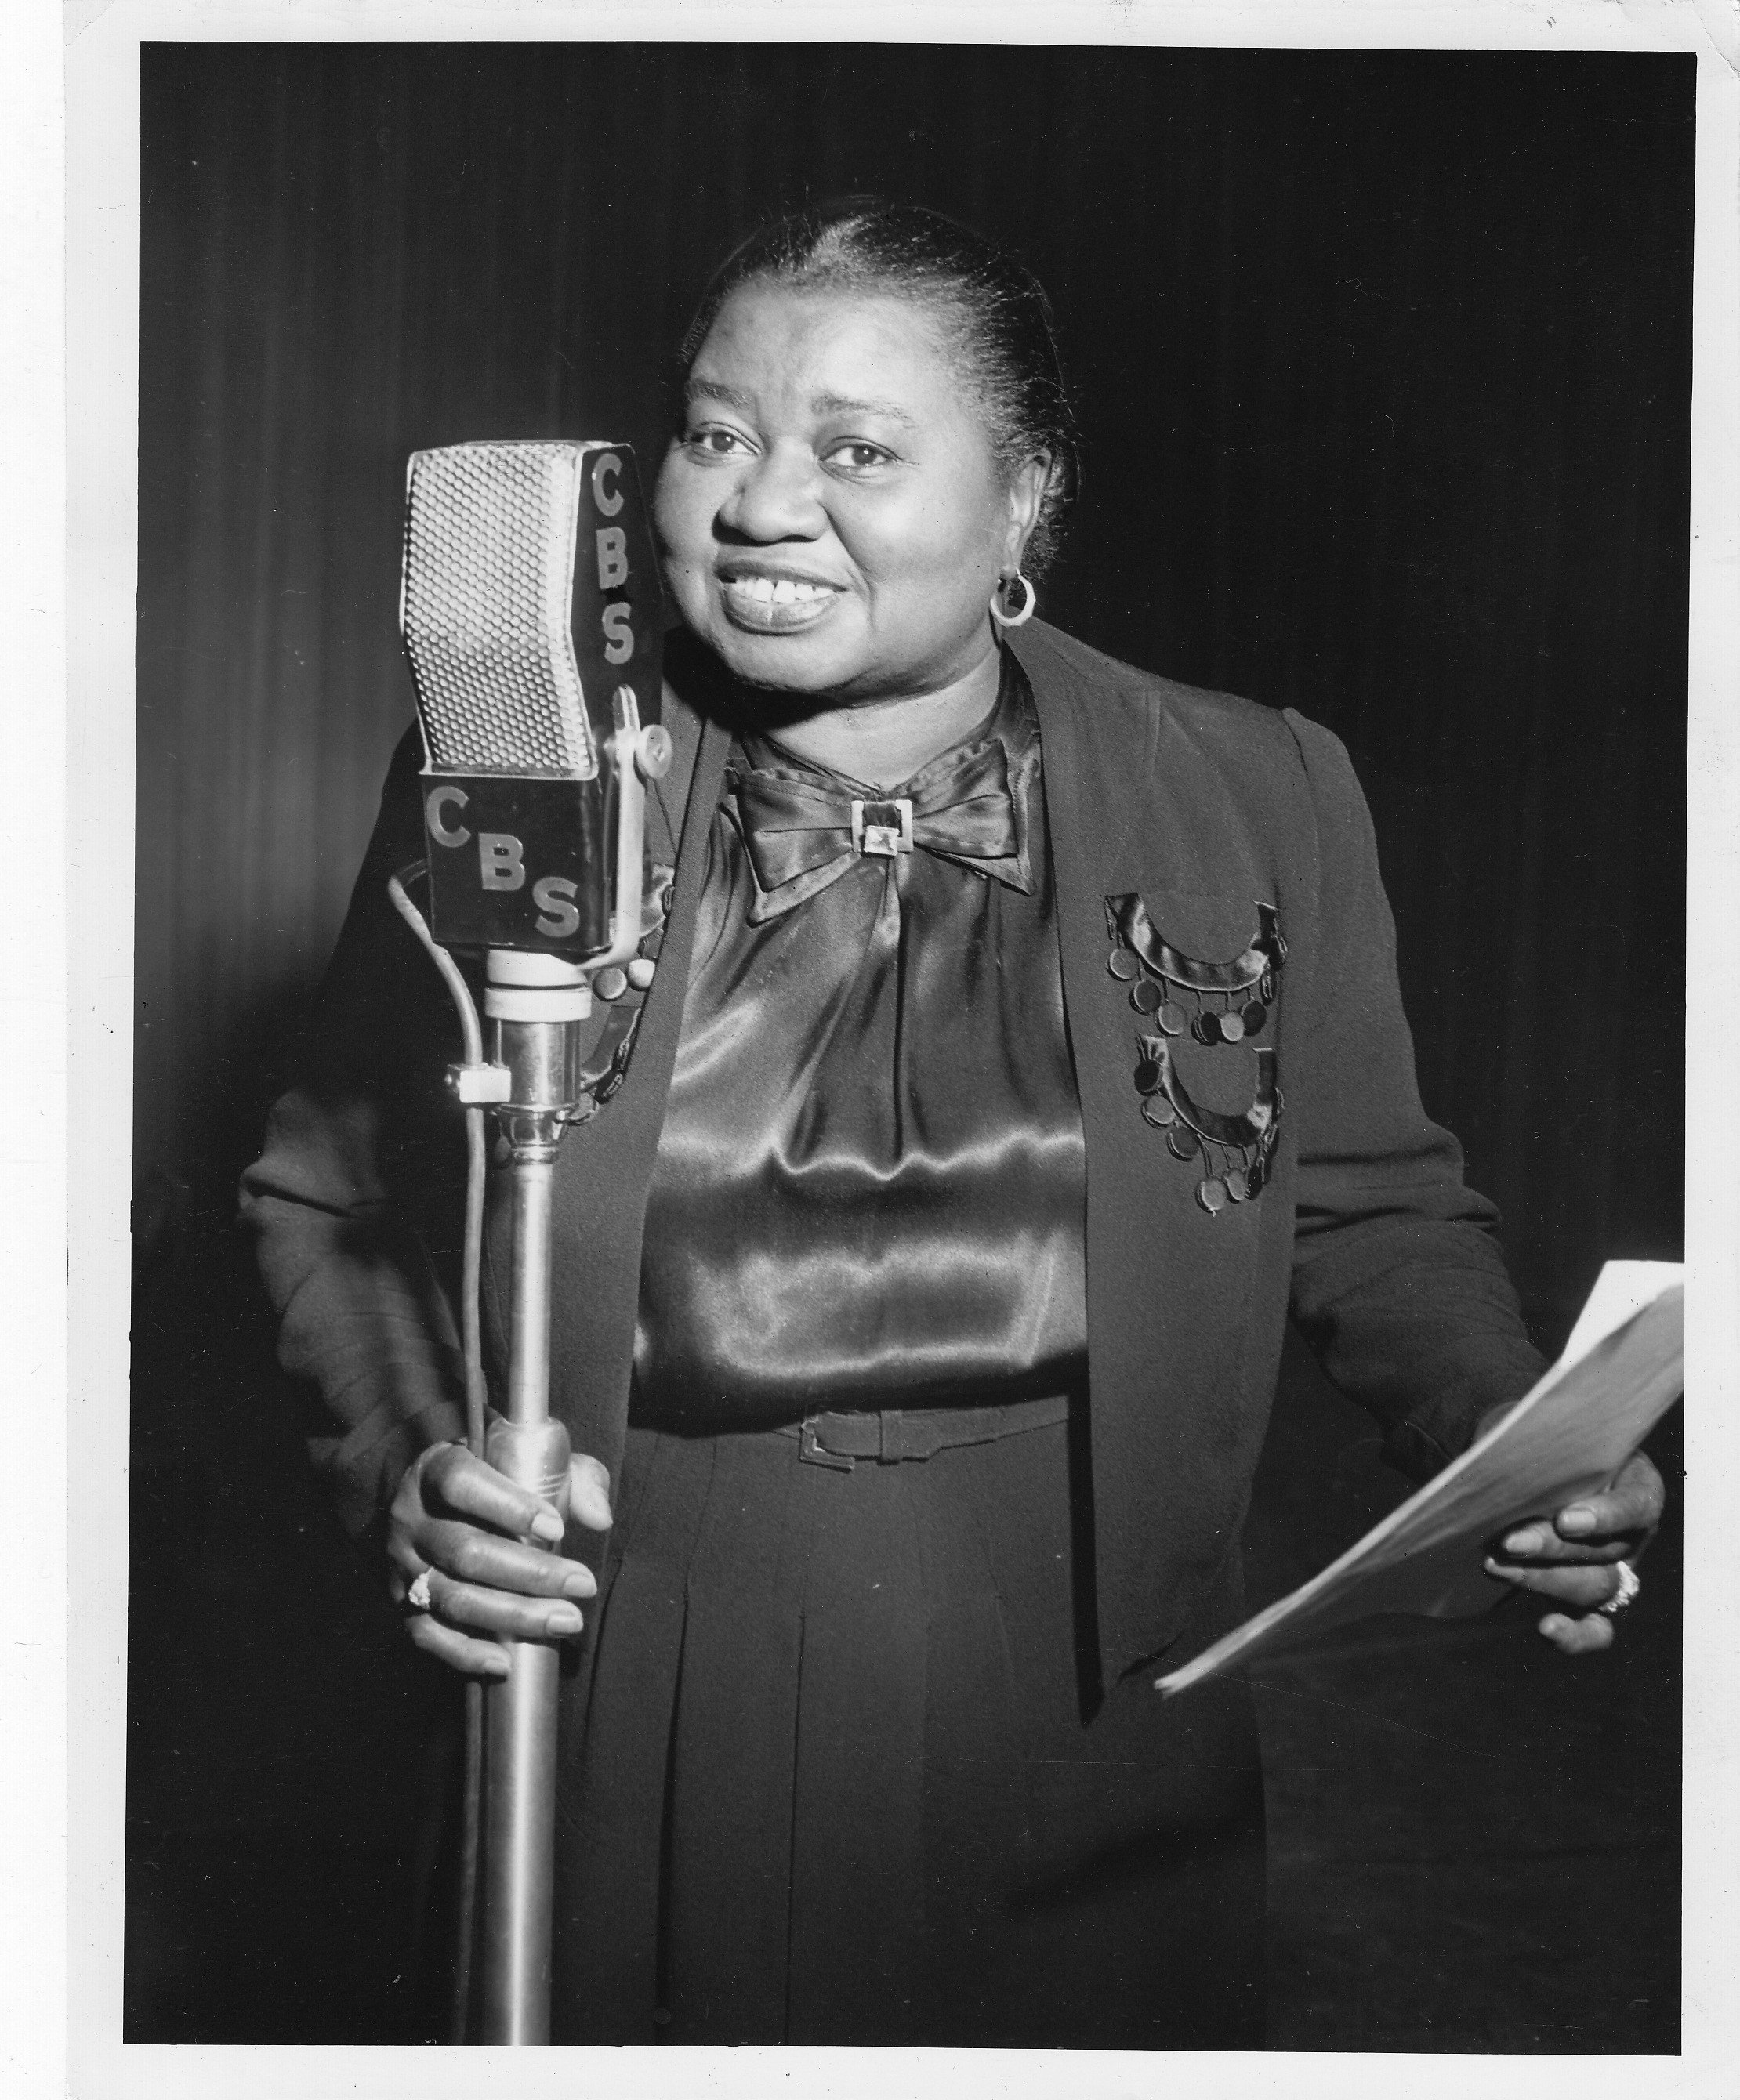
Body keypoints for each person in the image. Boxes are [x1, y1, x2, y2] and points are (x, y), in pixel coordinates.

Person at [240, 198, 1665, 2048]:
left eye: (854, 451)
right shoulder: (511, 765)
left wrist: (1509, 1428)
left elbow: (1371, 1208)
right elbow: (327, 1191)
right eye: (716, 430)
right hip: (628, 1667)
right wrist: (424, 1469)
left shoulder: (1256, 786)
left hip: (1102, 1698)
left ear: (1024, 509)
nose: (757, 502)